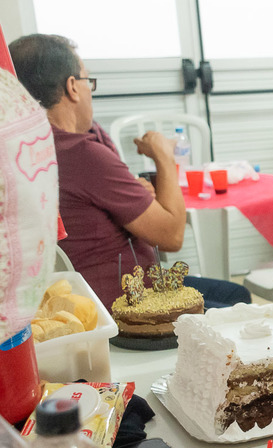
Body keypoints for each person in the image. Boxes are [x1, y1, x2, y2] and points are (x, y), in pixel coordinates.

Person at [9, 34, 251, 313]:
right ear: (73, 87)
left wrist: (136, 196)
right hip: (128, 307)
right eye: (89, 82)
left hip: (91, 297)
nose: (91, 92)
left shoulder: (33, 150)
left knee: (235, 293)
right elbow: (171, 236)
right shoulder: (83, 155)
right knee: (237, 307)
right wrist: (164, 155)